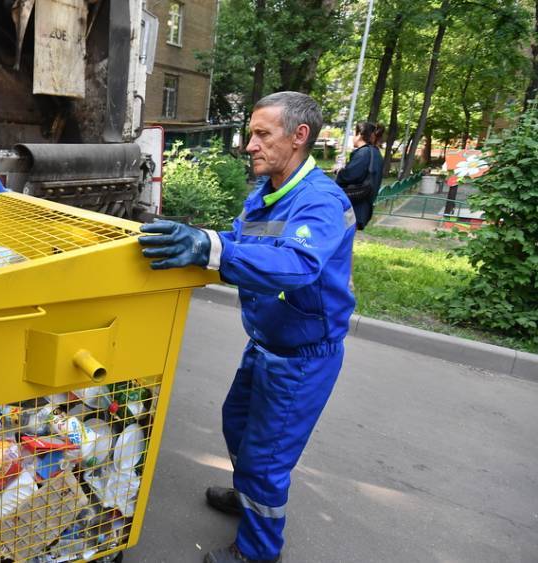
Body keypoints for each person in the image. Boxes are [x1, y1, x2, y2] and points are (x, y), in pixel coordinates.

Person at [138, 92, 356, 563]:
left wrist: (212, 250)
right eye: (251, 133)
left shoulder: (318, 201)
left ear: (299, 137)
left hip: (302, 356)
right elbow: (240, 243)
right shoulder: (268, 193)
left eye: (262, 134)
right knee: (237, 426)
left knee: (267, 456)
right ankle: (250, 495)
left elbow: (296, 265)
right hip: (266, 343)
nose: (249, 145)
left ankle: (258, 551)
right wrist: (198, 242)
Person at [335, 121, 384, 230]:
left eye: (353, 133)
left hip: (354, 205)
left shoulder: (363, 153)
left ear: (360, 135)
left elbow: (350, 175)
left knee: (340, 239)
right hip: (364, 204)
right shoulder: (376, 153)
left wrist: (339, 171)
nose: (352, 137)